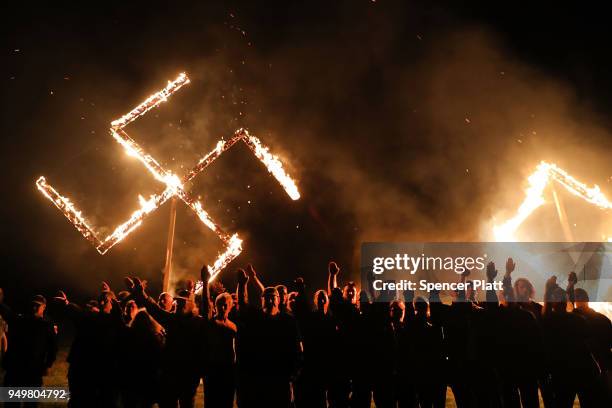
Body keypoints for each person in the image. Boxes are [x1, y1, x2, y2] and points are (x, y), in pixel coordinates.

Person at [129, 277, 206, 408]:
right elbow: (154, 309)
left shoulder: (180, 321)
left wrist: (142, 295)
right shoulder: (191, 321)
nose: (175, 306)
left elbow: (154, 309)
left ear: (187, 308)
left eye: (179, 305)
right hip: (181, 376)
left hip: (180, 375)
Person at [235, 267, 302, 408]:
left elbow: (296, 348)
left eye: (273, 297)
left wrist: (293, 374)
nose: (270, 299)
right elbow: (242, 304)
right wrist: (242, 284)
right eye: (267, 297)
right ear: (262, 300)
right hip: (259, 379)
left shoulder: (288, 321)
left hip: (281, 379)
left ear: (279, 300)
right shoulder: (256, 318)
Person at [541, 276, 600, 407]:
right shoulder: (577, 319)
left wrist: (548, 290)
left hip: (564, 372)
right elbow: (588, 339)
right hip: (584, 369)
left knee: (562, 402)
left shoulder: (549, 320)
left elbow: (547, 313)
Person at [0, 293, 57, 398]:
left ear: (44, 307)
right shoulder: (20, 320)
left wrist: (48, 364)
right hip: (15, 368)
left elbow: (52, 347)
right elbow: (7, 313)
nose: (34, 307)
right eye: (32, 305)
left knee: (30, 402)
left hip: (33, 369)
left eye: (37, 305)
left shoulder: (46, 325)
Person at [200, 266, 237, 408]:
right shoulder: (211, 321)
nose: (222, 307)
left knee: (227, 402)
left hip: (229, 371)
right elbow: (205, 302)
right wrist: (205, 282)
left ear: (230, 306)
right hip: (213, 370)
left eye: (226, 305)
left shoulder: (234, 326)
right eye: (220, 304)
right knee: (211, 403)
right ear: (215, 306)